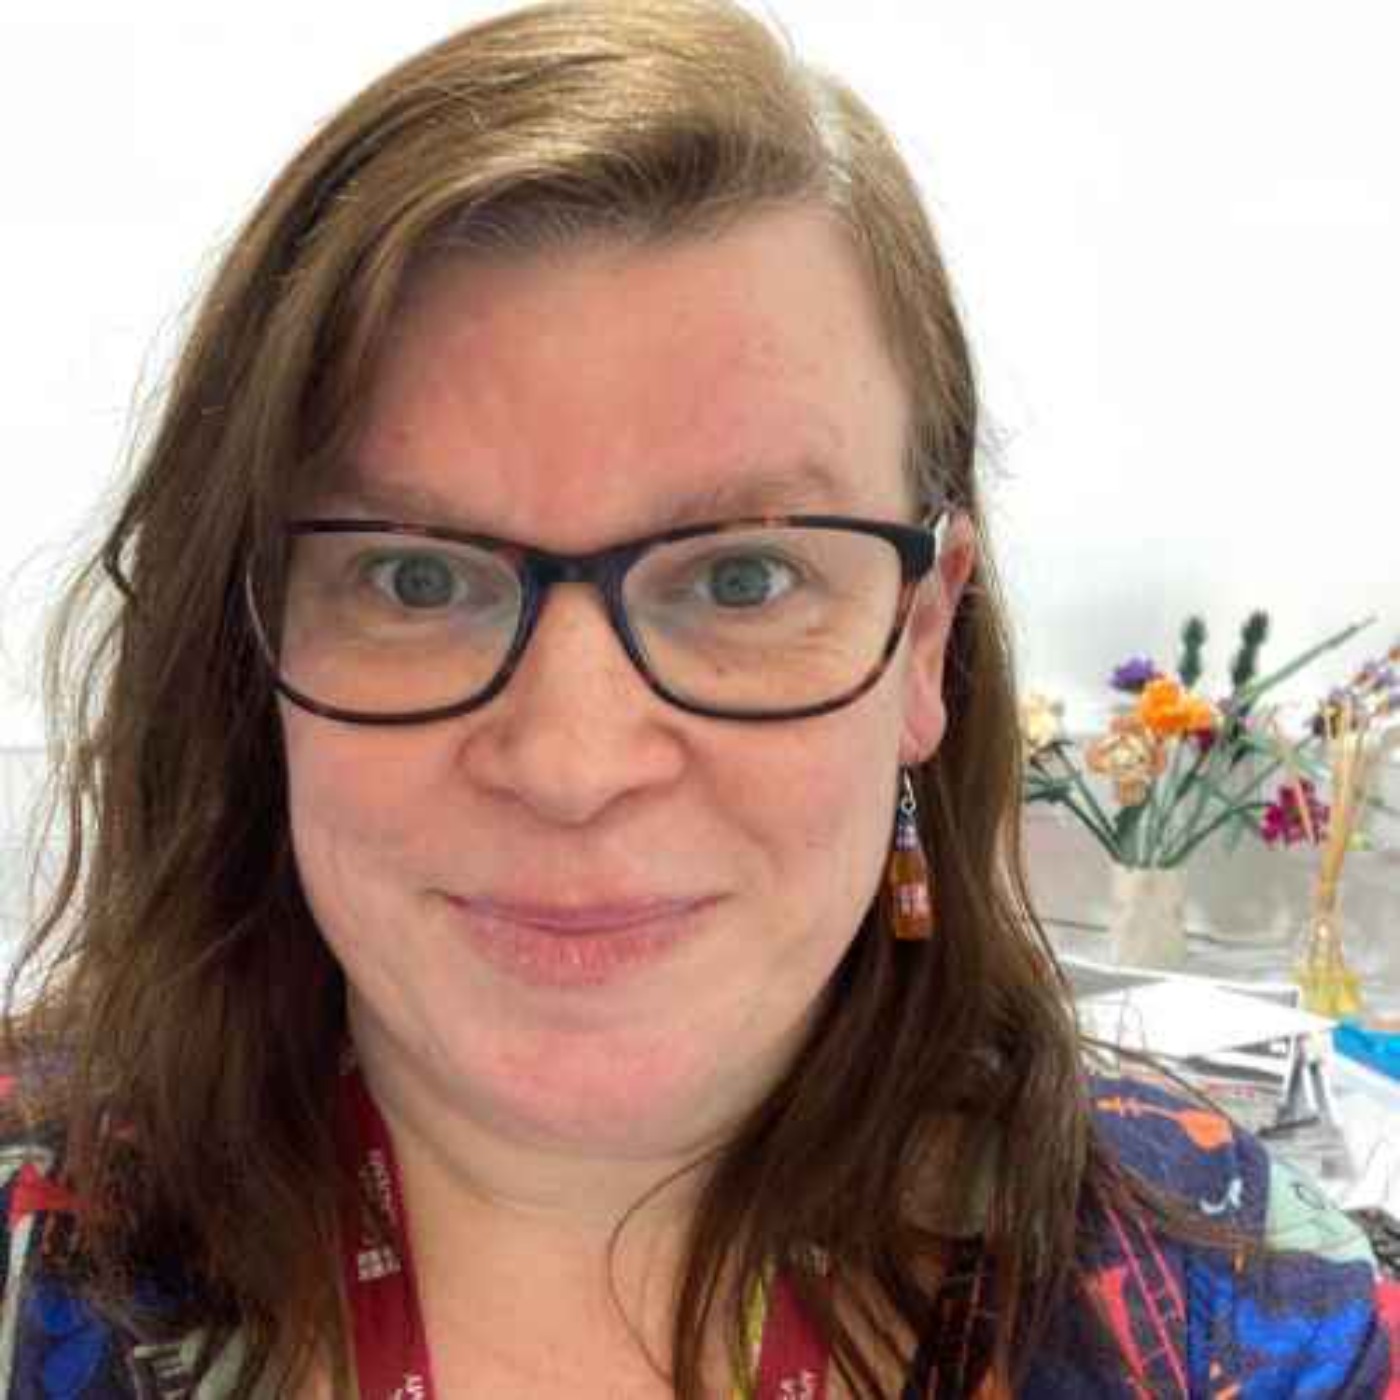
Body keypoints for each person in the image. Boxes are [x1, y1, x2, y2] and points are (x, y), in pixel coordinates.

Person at [1, 2, 1395, 1396]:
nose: (572, 762)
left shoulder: (1251, 1312)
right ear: (247, 645)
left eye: (742, 579)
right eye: (416, 580)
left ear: (922, 641)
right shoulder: (32, 1247)